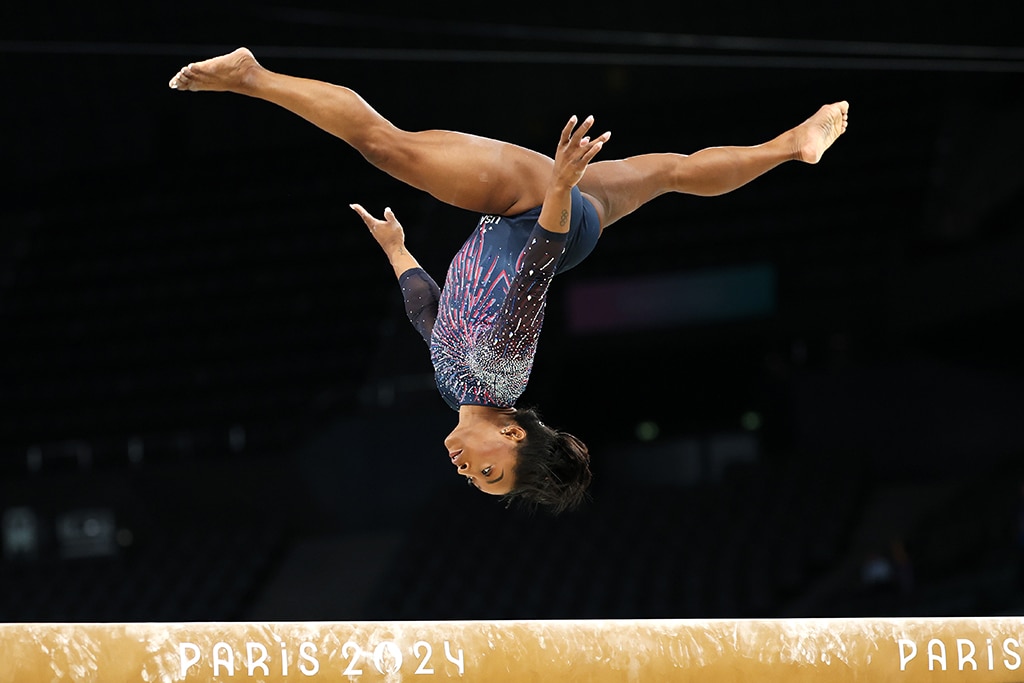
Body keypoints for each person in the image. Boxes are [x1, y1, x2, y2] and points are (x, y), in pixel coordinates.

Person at [169, 48, 849, 514]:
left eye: (476, 480)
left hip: (563, 220)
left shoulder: (455, 386)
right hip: (534, 214)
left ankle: (792, 143)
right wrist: (556, 187)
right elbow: (532, 274)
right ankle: (251, 76)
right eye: (489, 470)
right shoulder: (503, 374)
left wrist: (398, 252)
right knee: (385, 145)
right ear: (517, 434)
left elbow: (428, 318)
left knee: (672, 171)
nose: (468, 470)